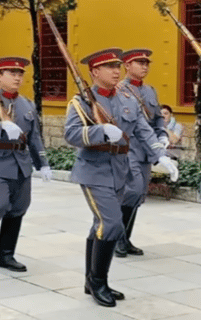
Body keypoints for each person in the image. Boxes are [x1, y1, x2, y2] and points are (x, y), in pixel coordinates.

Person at [63, 48, 177, 307]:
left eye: (117, 66)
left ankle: (90, 280)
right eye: (110, 67)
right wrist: (99, 131)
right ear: (94, 72)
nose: (116, 71)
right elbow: (71, 134)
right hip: (94, 169)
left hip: (120, 168)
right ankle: (100, 282)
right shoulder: (81, 101)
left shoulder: (127, 98)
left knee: (100, 225)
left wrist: (160, 153)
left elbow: (143, 129)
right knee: (112, 224)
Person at [0, 56, 52, 272]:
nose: (16, 77)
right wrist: (0, 127)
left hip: (20, 161)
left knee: (18, 208)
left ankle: (6, 255)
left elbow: (33, 137)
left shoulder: (26, 104)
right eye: (11, 73)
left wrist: (42, 162)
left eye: (20, 73)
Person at [116, 49, 170, 258]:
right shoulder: (119, 90)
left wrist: (162, 135)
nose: (145, 66)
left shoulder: (150, 91)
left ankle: (125, 238)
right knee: (132, 191)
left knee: (138, 196)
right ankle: (117, 238)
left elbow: (156, 118)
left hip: (148, 149)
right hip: (128, 148)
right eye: (139, 63)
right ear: (127, 66)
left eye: (147, 63)